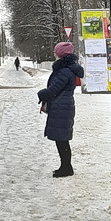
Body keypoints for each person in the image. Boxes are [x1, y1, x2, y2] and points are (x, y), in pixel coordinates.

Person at [38, 41, 84, 177]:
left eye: (55, 52)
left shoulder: (64, 71)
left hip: (62, 107)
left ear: (60, 55)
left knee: (62, 139)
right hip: (63, 106)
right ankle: (65, 166)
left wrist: (41, 94)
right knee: (61, 138)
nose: (54, 54)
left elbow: (53, 90)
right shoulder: (66, 69)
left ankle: (66, 168)